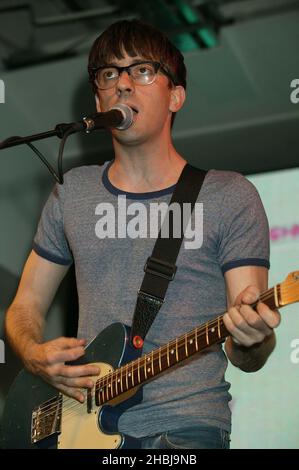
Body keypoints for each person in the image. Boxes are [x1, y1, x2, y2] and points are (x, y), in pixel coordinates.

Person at [5, 19, 280, 449]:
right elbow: (24, 307)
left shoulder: (229, 196)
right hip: (80, 430)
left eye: (142, 70)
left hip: (183, 430)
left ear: (176, 96)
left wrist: (253, 337)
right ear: (98, 98)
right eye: (109, 74)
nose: (123, 84)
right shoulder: (72, 192)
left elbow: (249, 350)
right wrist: (34, 356)